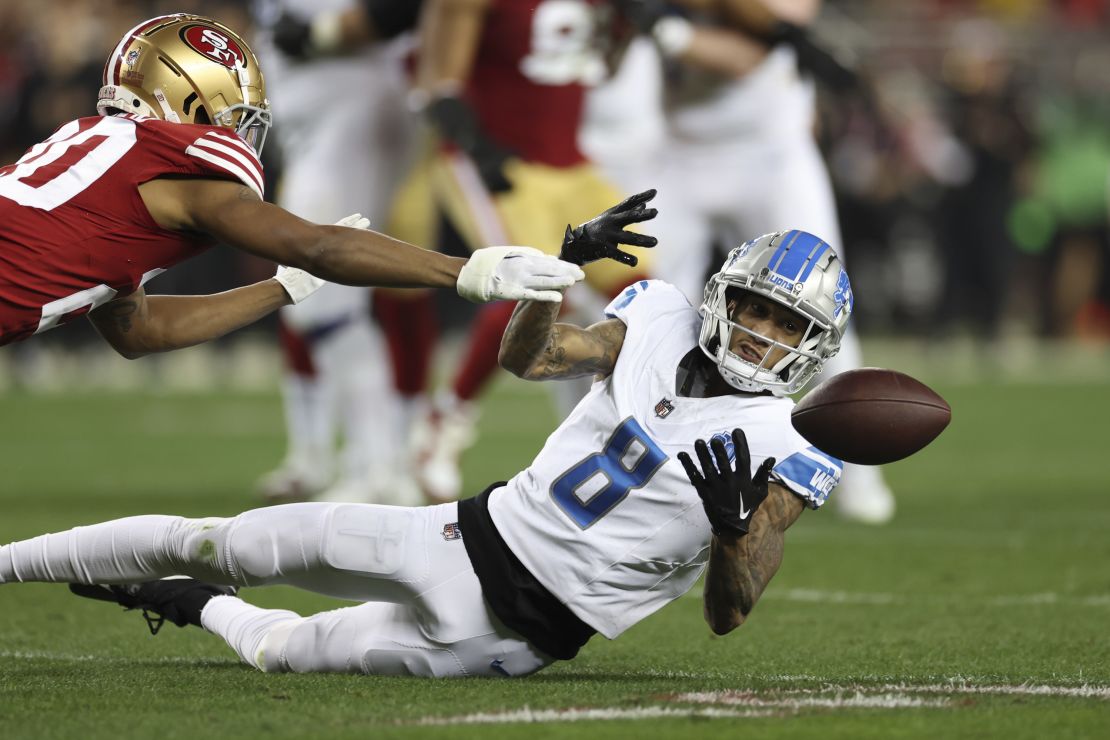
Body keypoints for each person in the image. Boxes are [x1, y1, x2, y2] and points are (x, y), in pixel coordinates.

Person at [0, 226, 852, 678]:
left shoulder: (792, 443)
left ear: (814, 345)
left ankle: (188, 604)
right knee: (226, 541)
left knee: (283, 652)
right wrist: (549, 276)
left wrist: (736, 531)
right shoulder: (658, 317)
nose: (761, 330)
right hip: (462, 535)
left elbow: (727, 613)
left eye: (787, 324)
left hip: (517, 639)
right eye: (754, 306)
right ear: (722, 294)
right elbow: (531, 360)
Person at [0, 13, 583, 355]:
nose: (237, 129)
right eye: (231, 111)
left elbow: (141, 331)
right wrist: (467, 271)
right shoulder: (178, 170)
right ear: (189, 98)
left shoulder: (91, 152)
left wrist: (283, 289)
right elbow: (320, 245)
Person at [590, 0, 896, 523]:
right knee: (650, 314)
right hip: (678, 151)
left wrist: (665, 27)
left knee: (820, 305)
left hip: (770, 155)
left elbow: (749, 50)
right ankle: (636, 459)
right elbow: (609, 62)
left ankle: (856, 470)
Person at [376, 0, 656, 504]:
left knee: (643, 298)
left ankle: (601, 436)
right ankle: (446, 421)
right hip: (498, 155)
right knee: (538, 284)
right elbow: (438, 84)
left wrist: (631, 23)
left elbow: (598, 68)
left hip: (569, 162)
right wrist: (474, 143)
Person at [248, 1, 427, 505]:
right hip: (324, 116)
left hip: (353, 105)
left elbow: (401, 11)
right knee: (317, 298)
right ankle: (373, 463)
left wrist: (320, 35)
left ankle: (379, 467)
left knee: (319, 294)